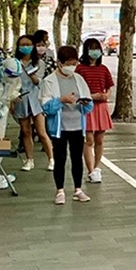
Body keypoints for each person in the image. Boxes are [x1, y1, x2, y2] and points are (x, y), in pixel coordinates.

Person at [41, 46, 94, 205]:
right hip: (59, 127)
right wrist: (61, 100)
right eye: (69, 63)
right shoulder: (49, 81)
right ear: (59, 63)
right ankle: (60, 190)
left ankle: (78, 189)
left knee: (77, 158)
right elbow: (46, 107)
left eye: (74, 63)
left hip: (77, 124)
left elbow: (88, 103)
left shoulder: (78, 79)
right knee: (60, 158)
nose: (72, 66)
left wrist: (85, 103)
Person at [12, 35, 55, 171]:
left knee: (42, 132)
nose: (25, 47)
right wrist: (12, 98)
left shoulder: (39, 63)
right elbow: (10, 83)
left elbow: (40, 82)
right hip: (21, 99)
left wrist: (33, 76)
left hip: (36, 99)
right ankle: (29, 160)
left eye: (28, 44)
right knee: (25, 131)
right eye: (22, 44)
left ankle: (52, 159)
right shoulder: (14, 63)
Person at [77, 37, 114, 183]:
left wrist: (106, 95)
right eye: (92, 48)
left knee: (99, 139)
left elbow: (109, 86)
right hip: (87, 107)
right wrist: (91, 96)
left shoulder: (103, 69)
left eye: (97, 48)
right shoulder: (80, 69)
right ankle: (91, 170)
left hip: (101, 107)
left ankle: (97, 168)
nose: (95, 51)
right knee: (89, 139)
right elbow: (77, 89)